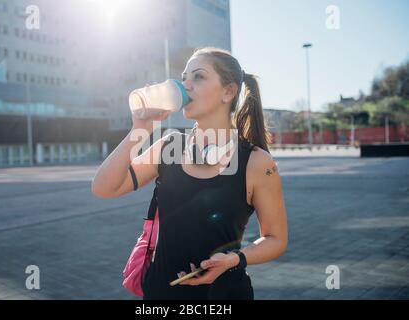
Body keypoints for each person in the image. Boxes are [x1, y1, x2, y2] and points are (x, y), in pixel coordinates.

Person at [92, 47, 288, 300]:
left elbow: (275, 239)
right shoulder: (169, 146)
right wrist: (139, 129)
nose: (186, 85)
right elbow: (103, 188)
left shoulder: (257, 162)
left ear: (228, 91)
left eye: (198, 77)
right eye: (184, 77)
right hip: (161, 295)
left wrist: (234, 259)